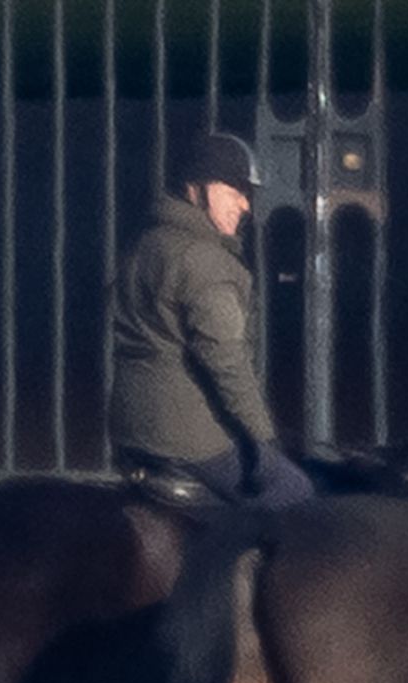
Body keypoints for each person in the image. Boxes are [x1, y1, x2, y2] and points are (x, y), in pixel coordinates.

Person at [109, 131, 314, 508]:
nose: (245, 205)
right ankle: (235, 568)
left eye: (247, 193)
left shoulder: (145, 244)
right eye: (234, 190)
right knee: (294, 492)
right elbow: (226, 362)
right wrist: (263, 439)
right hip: (186, 437)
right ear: (197, 189)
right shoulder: (204, 261)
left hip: (129, 428)